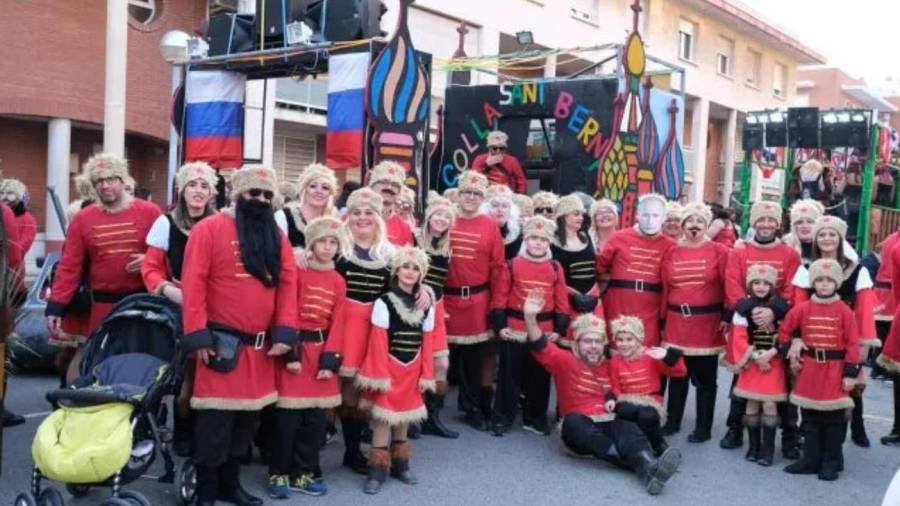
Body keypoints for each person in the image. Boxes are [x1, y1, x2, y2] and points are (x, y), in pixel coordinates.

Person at [180, 166, 298, 506]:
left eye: (265, 194)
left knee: (245, 425)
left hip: (260, 351)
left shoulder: (277, 236)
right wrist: (198, 335)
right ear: (237, 194)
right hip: (220, 345)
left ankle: (230, 486)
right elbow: (193, 283)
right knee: (214, 427)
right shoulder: (209, 228)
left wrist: (285, 331)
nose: (259, 199)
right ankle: (205, 492)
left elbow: (289, 283)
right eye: (252, 193)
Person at [523, 293, 682, 495]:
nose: (593, 346)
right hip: (581, 428)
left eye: (598, 342)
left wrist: (664, 355)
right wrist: (529, 317)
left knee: (627, 426)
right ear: (577, 343)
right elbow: (540, 346)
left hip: (611, 420)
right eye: (587, 341)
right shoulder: (564, 360)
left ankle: (649, 468)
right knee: (573, 422)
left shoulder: (611, 363)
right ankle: (644, 466)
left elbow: (640, 361)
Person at [45, 153, 161, 372]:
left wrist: (150, 260)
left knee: (144, 365)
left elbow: (169, 254)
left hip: (142, 305)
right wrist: (56, 307)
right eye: (99, 181)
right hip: (102, 307)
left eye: (111, 180)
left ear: (122, 181)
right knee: (98, 365)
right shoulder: (82, 219)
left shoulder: (150, 212)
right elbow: (69, 266)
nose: (105, 186)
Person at [141, 161, 218, 456]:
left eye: (204, 186)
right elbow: (150, 268)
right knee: (181, 373)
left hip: (215, 308)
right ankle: (181, 434)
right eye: (192, 185)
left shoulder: (221, 223)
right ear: (182, 190)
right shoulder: (165, 223)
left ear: (211, 192)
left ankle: (206, 434)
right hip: (177, 306)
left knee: (207, 371)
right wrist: (169, 290)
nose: (198, 191)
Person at [267, 216, 345, 500]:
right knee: (287, 421)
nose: (327, 247)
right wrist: (291, 354)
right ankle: (278, 471)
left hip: (321, 357)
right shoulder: (296, 273)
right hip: (296, 353)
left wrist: (329, 363)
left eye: (333, 242)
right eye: (322, 241)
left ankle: (304, 472)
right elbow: (286, 312)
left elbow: (338, 323)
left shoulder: (338, 280)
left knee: (314, 422)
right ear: (311, 244)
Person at [721, 200, 801, 455]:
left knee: (783, 381)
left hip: (777, 323)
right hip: (747, 320)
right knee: (741, 375)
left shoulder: (790, 254)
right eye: (761, 220)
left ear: (778, 224)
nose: (765, 224)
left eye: (771, 220)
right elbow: (732, 283)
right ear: (753, 222)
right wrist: (750, 308)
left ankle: (789, 435)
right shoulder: (739, 252)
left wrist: (773, 310)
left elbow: (791, 287)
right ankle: (735, 428)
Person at [790, 215, 877, 448]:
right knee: (812, 384)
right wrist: (797, 338)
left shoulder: (858, 271)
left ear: (840, 239)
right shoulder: (805, 269)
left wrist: (863, 344)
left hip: (846, 338)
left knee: (851, 385)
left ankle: (856, 427)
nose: (827, 239)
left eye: (832, 234)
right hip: (815, 337)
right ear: (815, 239)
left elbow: (865, 310)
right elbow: (798, 307)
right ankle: (809, 433)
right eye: (822, 234)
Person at [356, 246, 436, 494]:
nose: (410, 272)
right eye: (405, 267)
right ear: (396, 270)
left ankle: (401, 465)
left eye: (415, 268)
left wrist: (427, 374)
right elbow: (378, 341)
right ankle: (377, 470)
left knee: (403, 418)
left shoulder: (426, 304)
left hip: (412, 370)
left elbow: (428, 342)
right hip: (389, 368)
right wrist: (380, 375)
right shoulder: (384, 301)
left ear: (421, 273)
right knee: (382, 419)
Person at [332, 187, 395, 473]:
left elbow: (407, 284)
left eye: (369, 213)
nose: (362, 218)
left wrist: (427, 294)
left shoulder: (389, 252)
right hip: (341, 323)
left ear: (378, 217)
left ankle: (352, 450)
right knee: (336, 386)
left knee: (360, 388)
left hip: (373, 327)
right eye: (356, 212)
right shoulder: (337, 246)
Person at [782, 258, 861, 481]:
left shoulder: (845, 311)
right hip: (809, 370)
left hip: (835, 371)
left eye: (829, 280)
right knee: (809, 419)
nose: (824, 284)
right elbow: (785, 331)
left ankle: (831, 462)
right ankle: (810, 459)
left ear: (836, 283)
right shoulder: (803, 308)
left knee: (834, 421)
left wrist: (850, 374)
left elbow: (853, 344)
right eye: (819, 280)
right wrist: (794, 346)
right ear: (813, 283)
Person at [492, 216, 570, 436]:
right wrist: (500, 326)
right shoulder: (512, 264)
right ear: (525, 239)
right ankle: (502, 417)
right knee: (509, 376)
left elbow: (562, 299)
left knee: (539, 377)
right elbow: (500, 296)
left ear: (549, 243)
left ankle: (535, 418)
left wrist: (559, 329)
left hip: (542, 331)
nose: (538, 243)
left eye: (543, 239)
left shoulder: (555, 267)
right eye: (533, 238)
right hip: (515, 327)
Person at [444, 171, 508, 431]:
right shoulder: (445, 220)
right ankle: (430, 411)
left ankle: (471, 407)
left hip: (477, 301)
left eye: (476, 194)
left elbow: (498, 269)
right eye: (466, 192)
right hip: (446, 300)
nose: (471, 197)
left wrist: (497, 307)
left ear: (482, 198)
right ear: (458, 194)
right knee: (441, 359)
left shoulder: (489, 226)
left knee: (473, 360)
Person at [660, 202, 727, 443]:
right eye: (690, 221)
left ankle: (703, 428)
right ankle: (673, 421)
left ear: (706, 225)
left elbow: (728, 285)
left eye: (700, 221)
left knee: (705, 380)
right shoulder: (671, 251)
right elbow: (665, 287)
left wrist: (727, 316)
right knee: (677, 375)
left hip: (706, 324)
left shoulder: (719, 251)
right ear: (683, 225)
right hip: (677, 322)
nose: (694, 225)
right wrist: (661, 320)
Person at [728, 264, 790, 466]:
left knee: (770, 403)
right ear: (750, 285)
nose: (761, 287)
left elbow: (787, 333)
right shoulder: (743, 309)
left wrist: (771, 353)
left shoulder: (781, 307)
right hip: (752, 362)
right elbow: (738, 337)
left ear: (773, 286)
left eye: (766, 283)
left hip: (774, 362)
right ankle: (753, 446)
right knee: (752, 402)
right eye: (757, 283)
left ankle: (768, 450)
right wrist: (754, 356)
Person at [596, 193, 674, 349]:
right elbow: (600, 266)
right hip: (619, 302)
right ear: (637, 215)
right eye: (645, 215)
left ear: (663, 218)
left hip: (651, 306)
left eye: (655, 215)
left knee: (646, 348)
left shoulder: (669, 244)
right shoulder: (619, 237)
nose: (650, 220)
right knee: (617, 346)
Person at [608, 315, 686, 455]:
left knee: (646, 415)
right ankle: (638, 446)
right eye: (620, 340)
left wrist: (668, 357)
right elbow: (615, 387)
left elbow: (680, 373)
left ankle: (660, 447)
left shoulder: (651, 355)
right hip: (626, 399)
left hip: (650, 400)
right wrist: (612, 398)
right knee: (627, 411)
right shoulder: (615, 361)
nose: (624, 344)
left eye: (629, 339)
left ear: (639, 340)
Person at [417, 194, 458, 438]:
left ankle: (432, 417)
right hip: (412, 305)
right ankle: (412, 416)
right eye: (438, 214)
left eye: (446, 216)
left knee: (441, 364)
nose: (441, 219)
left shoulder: (447, 246)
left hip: (437, 308)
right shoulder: (413, 237)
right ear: (429, 216)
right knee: (413, 363)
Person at [551, 194, 603, 350]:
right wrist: (571, 295)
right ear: (563, 216)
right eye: (576, 214)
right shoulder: (552, 243)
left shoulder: (587, 236)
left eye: (581, 213)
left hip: (593, 301)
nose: (581, 217)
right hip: (566, 302)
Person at [277, 163, 338, 250]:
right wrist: (292, 252)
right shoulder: (283, 216)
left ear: (330, 193)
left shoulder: (334, 220)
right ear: (304, 189)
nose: (319, 191)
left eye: (325, 187)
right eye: (313, 186)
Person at [368, 161, 414, 247]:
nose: (389, 187)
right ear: (372, 186)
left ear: (399, 192)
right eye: (384, 182)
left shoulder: (404, 228)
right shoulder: (354, 218)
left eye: (395, 185)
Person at [483, 185, 522, 260]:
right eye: (495, 205)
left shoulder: (517, 233)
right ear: (487, 209)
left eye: (504, 206)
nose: (500, 210)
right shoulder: (480, 230)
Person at [0, 178, 37, 257]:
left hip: (12, 266)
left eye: (9, 193)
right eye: (2, 193)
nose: (4, 196)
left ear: (18, 194)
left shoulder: (27, 219)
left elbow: (22, 247)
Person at [781, 199, 824, 265]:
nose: (805, 226)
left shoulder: (829, 244)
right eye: (799, 222)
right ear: (793, 226)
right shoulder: (784, 246)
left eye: (810, 222)